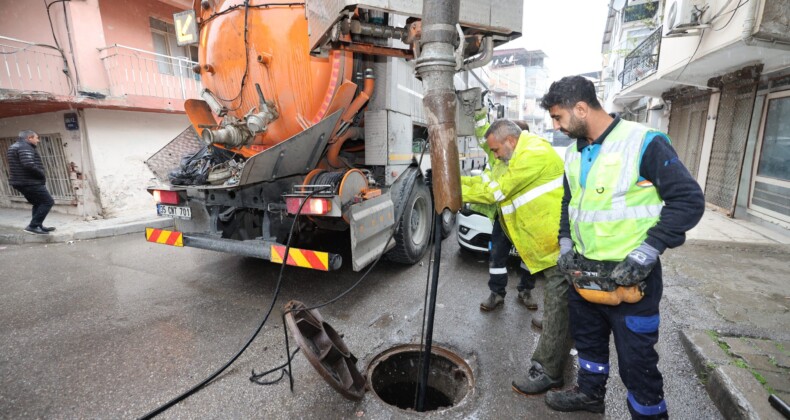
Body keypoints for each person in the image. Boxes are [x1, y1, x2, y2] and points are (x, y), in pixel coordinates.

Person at [539, 76, 705, 418]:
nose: (555, 125)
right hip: (584, 272)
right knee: (588, 342)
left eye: (558, 117)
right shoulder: (574, 153)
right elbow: (570, 202)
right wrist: (566, 243)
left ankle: (649, 413)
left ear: (581, 108)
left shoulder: (643, 142)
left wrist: (648, 251)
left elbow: (688, 200)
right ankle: (589, 393)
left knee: (637, 362)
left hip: (631, 276)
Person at [462, 118, 573, 396]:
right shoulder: (517, 153)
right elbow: (495, 175)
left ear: (510, 141)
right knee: (559, 304)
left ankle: (548, 371)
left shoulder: (533, 153)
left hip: (555, 245)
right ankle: (558, 337)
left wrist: (452, 185)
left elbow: (495, 191)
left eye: (497, 149)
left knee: (559, 305)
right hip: (548, 243)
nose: (495, 155)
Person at [463, 116, 538, 311]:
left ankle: (525, 291)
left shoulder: (528, 161)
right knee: (497, 256)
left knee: (529, 257)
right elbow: (488, 185)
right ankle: (497, 293)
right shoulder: (498, 159)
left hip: (525, 218)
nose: (496, 154)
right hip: (503, 218)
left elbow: (495, 192)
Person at [7, 130, 56, 235]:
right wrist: (41, 174)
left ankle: (38, 225)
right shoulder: (25, 147)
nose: (38, 140)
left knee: (38, 203)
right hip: (29, 181)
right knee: (48, 201)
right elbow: (28, 164)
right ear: (29, 137)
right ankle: (33, 226)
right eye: (36, 138)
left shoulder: (14, 146)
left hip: (20, 181)